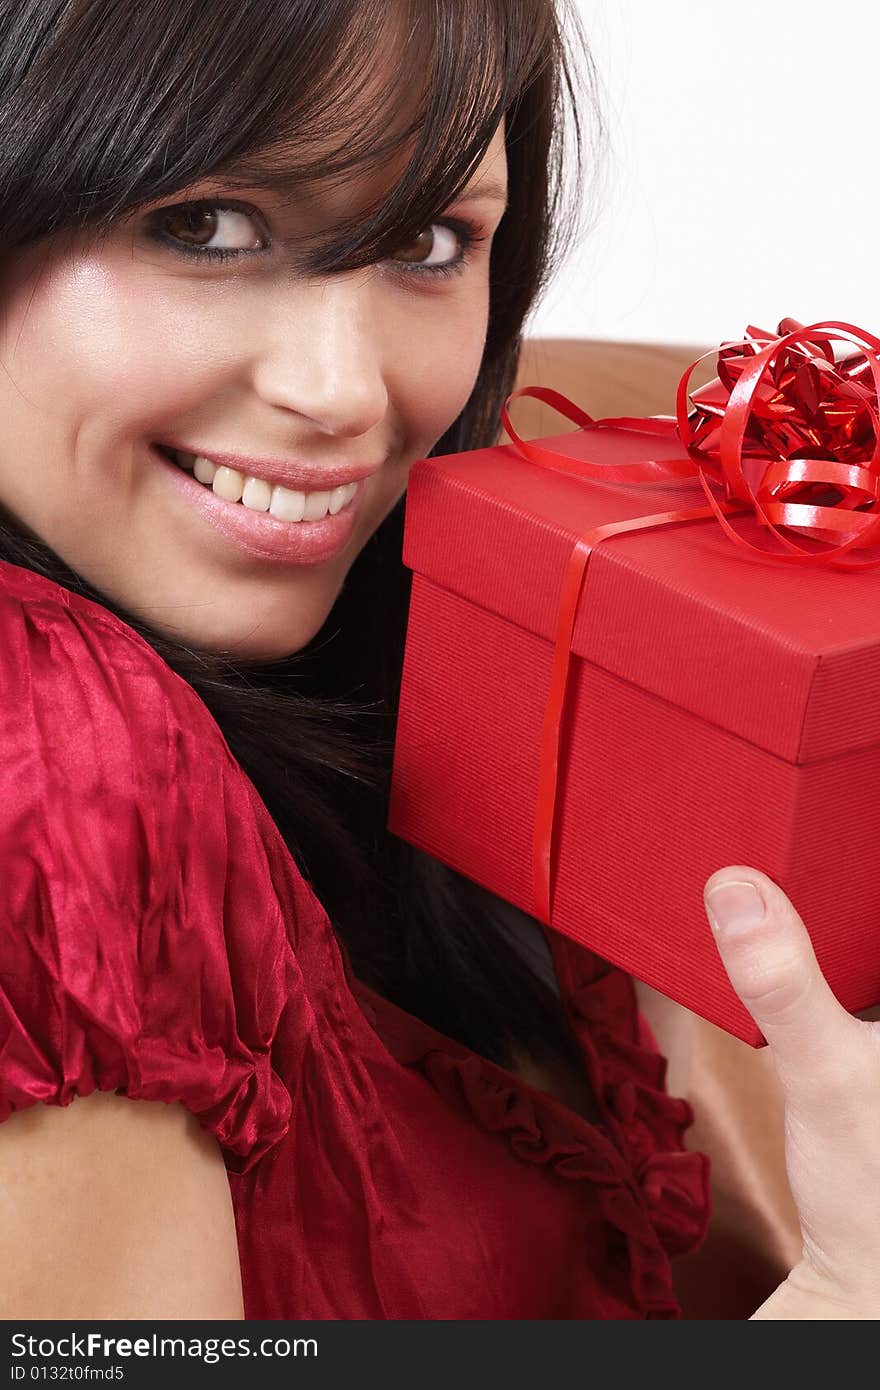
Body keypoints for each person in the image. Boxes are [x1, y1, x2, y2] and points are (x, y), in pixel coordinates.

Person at [0, 0, 876, 1322]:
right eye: (205, 225)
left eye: (426, 240)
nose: (350, 392)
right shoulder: (50, 744)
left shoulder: (417, 628)